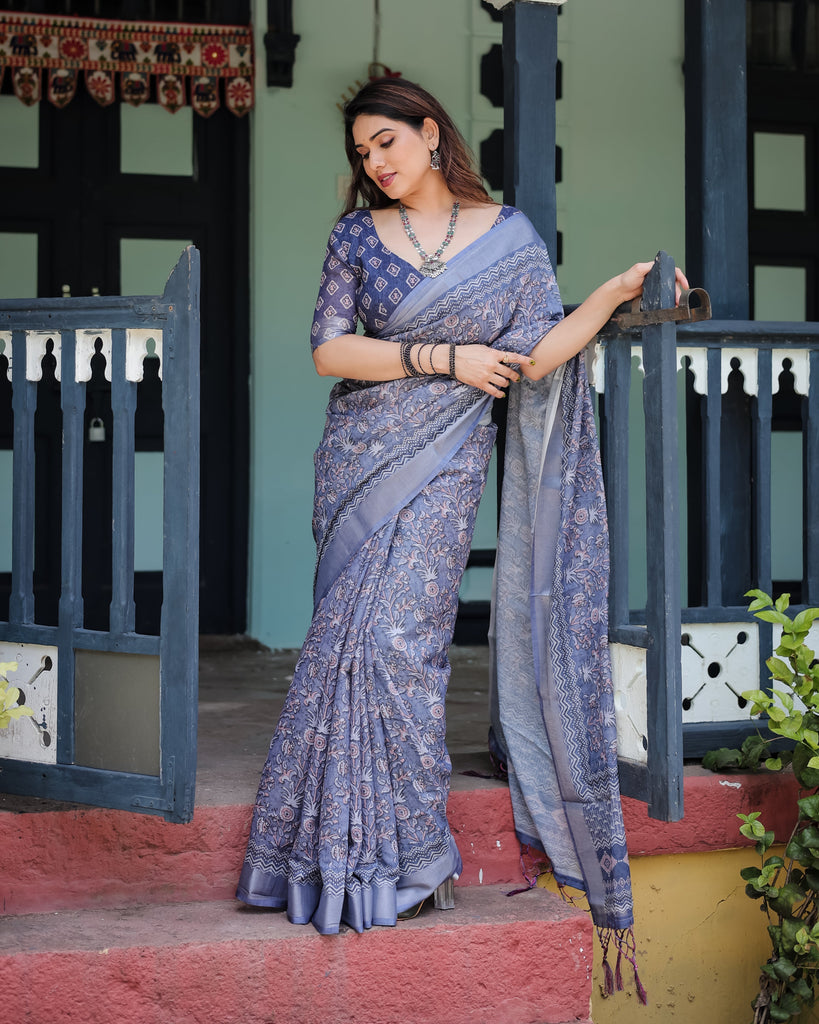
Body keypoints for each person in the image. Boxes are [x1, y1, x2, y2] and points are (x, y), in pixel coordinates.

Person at [237, 77, 685, 990]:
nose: (375, 164)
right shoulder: (356, 237)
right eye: (362, 153)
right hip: (361, 455)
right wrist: (439, 356)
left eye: (386, 144)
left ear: (428, 134)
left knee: (404, 646)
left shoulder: (511, 238)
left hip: (446, 465)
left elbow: (532, 358)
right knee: (346, 647)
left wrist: (605, 296)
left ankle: (404, 857)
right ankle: (341, 855)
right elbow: (329, 348)